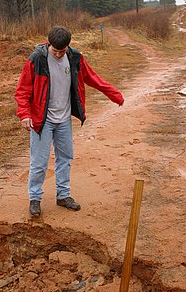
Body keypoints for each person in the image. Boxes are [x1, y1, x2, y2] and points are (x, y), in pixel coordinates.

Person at [14, 25, 124, 217]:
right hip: (42, 119)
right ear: (49, 44)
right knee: (39, 162)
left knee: (65, 158)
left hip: (63, 119)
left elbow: (94, 79)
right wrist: (24, 114)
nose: (58, 55)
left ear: (68, 47)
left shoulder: (75, 58)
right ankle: (35, 199)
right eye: (55, 51)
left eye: (62, 51)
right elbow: (22, 90)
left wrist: (115, 95)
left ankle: (63, 196)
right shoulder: (37, 59)